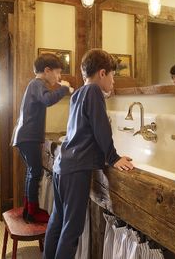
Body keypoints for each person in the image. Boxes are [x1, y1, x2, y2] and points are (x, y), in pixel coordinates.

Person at [43, 49, 134, 259]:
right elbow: (100, 127)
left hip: (62, 165)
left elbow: (84, 130)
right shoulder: (93, 91)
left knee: (57, 220)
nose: (113, 81)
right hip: (76, 169)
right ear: (102, 73)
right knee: (72, 230)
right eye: (112, 75)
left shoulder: (78, 93)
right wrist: (113, 157)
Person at [12, 53, 73, 223]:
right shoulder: (37, 84)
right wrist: (64, 88)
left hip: (25, 137)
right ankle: (32, 211)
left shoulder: (35, 85)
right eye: (58, 72)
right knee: (36, 172)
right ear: (47, 71)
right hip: (28, 137)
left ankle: (28, 208)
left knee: (32, 172)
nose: (59, 77)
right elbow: (47, 100)